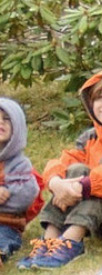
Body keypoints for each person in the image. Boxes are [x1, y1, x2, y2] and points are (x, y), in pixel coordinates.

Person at [20, 68, 102, 270]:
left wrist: (85, 186)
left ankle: (71, 240)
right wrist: (56, 183)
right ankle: (49, 239)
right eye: (101, 97)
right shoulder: (92, 136)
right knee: (77, 169)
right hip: (97, 219)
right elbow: (65, 161)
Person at [0, 97, 44, 263]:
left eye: (7, 119)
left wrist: (6, 194)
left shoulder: (20, 164)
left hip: (5, 223)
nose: (1, 122)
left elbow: (24, 197)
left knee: (3, 238)